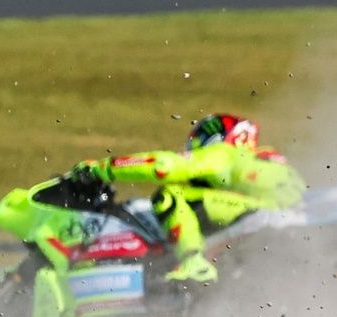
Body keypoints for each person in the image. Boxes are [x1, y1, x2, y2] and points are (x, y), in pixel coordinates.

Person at [70, 113, 305, 284]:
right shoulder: (261, 161)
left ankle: (193, 263)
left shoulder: (224, 153)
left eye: (201, 137)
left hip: (263, 213)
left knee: (170, 194)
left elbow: (163, 167)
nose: (193, 146)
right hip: (287, 216)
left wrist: (101, 169)